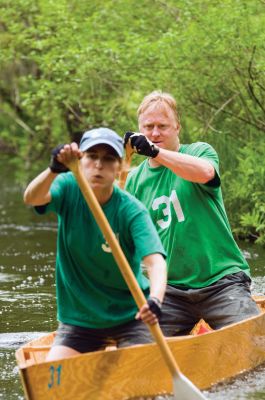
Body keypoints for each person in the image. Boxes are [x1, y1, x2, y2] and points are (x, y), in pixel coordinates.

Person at [23, 127, 167, 361]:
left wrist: (156, 299)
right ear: (81, 161)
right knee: (54, 385)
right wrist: (53, 170)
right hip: (80, 319)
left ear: (119, 167)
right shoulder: (68, 186)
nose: (99, 165)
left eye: (108, 158)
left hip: (131, 317)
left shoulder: (131, 210)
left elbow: (155, 262)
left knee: (140, 383)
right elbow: (32, 198)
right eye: (92, 157)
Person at [124, 91, 260, 336]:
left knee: (251, 342)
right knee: (139, 347)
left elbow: (205, 173)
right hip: (171, 291)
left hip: (222, 282)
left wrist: (156, 153)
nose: (154, 133)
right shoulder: (133, 180)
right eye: (148, 127)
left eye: (162, 126)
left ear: (177, 127)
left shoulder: (199, 151)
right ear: (138, 129)